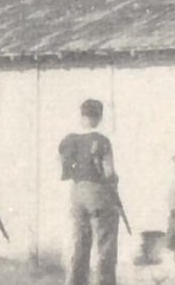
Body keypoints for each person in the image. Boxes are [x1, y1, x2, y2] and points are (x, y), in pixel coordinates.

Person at [59, 99, 119, 285]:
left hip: (77, 194)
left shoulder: (69, 139)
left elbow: (65, 166)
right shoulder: (102, 141)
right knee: (105, 244)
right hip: (98, 193)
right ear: (99, 117)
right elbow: (109, 173)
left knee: (79, 243)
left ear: (82, 116)